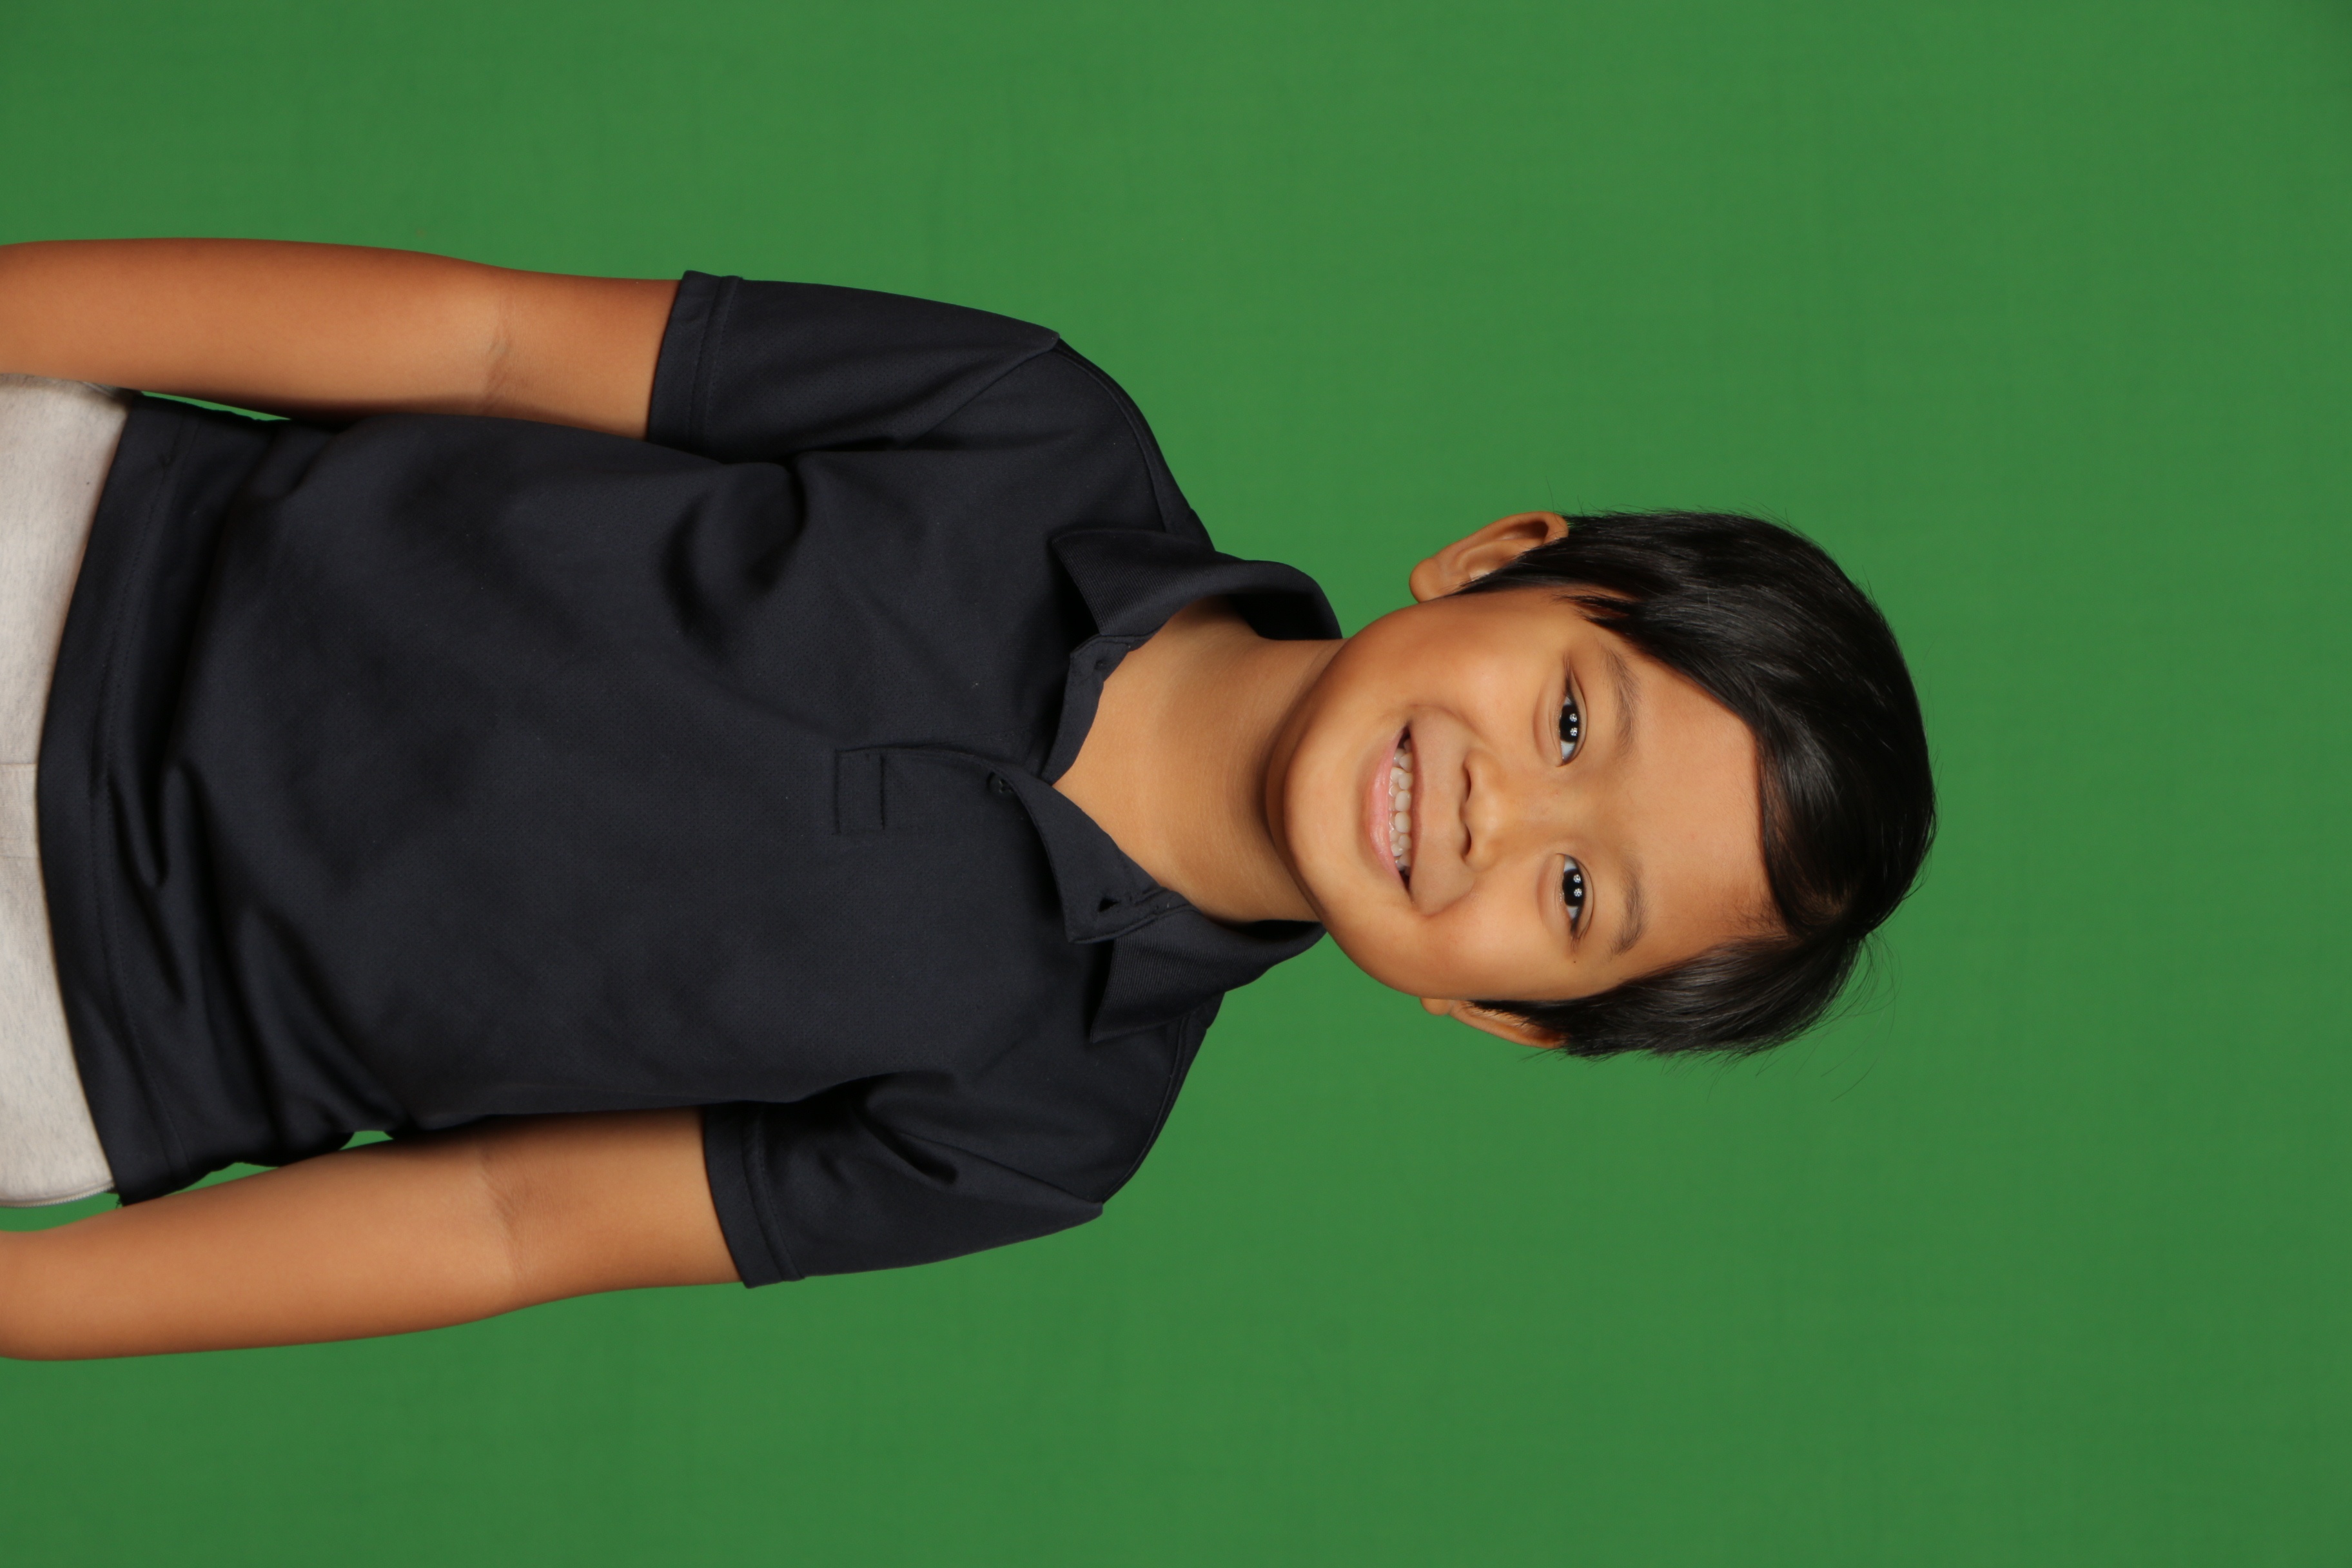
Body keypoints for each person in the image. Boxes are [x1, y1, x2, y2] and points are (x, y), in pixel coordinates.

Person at [0, 240, 1933, 1358]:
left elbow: (514, 1222)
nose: (1509, 816)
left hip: (78, 1036)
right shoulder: (1028, 425)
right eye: (1577, 720)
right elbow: (491, 343)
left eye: (1580, 902)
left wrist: (30, 1308)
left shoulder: (1042, 1129)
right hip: (76, 540)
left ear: (1496, 1009)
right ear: (1500, 558)